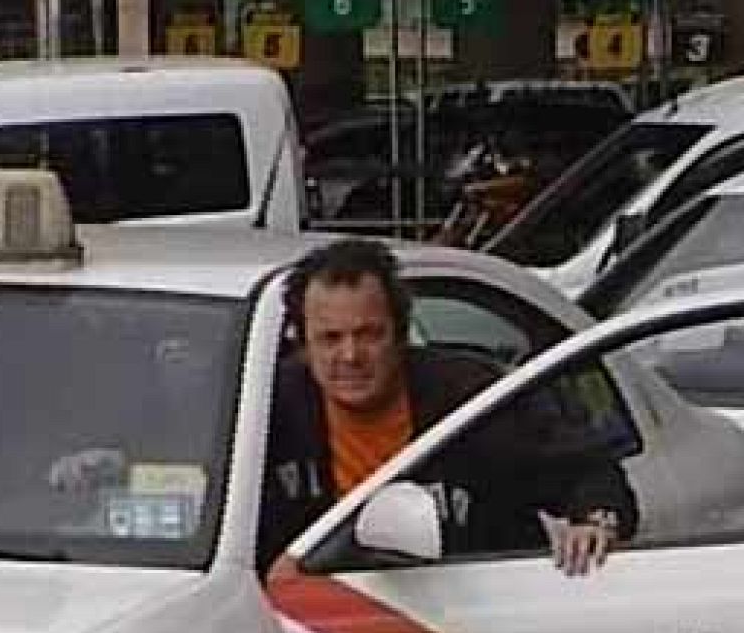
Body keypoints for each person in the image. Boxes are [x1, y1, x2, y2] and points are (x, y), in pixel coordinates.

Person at [258, 238, 636, 578]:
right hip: (313, 626)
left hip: (468, 625)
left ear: (401, 332)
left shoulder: (469, 398)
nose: (351, 355)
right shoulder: (263, 408)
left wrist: (595, 521)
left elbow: (588, 472)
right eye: (330, 338)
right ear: (302, 343)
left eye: (370, 334)